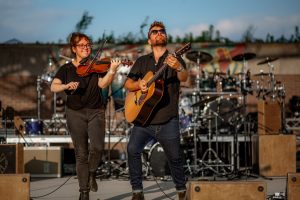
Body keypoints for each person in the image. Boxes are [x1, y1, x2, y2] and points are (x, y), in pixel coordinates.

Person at [50, 32, 121, 200]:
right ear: (74, 49)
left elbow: (103, 84)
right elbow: (54, 86)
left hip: (96, 110)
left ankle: (92, 172)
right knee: (81, 153)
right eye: (82, 45)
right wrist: (66, 86)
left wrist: (111, 70)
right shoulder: (66, 69)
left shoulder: (95, 66)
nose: (86, 48)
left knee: (97, 148)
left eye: (88, 44)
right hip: (75, 113)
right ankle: (84, 192)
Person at [124, 21, 188, 200]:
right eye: (154, 32)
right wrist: (139, 84)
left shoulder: (175, 58)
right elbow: (128, 84)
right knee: (132, 149)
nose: (159, 33)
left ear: (165, 36)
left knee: (175, 157)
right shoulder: (142, 61)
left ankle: (181, 191)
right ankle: (137, 192)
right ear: (149, 39)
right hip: (144, 121)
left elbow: (184, 77)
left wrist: (178, 67)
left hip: (168, 119)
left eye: (162, 31)